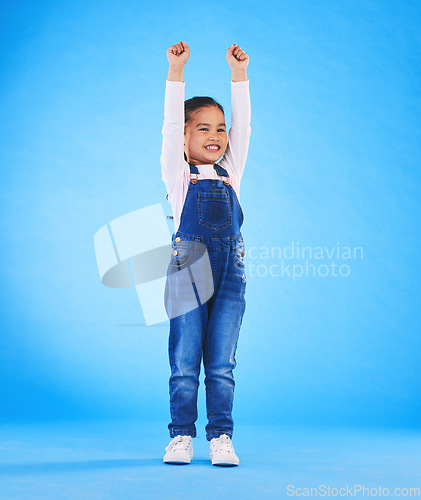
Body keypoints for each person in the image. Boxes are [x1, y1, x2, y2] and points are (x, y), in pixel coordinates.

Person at [161, 41, 250, 466]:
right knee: (183, 360)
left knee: (221, 364)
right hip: (188, 269)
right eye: (203, 128)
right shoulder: (178, 175)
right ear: (183, 135)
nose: (215, 136)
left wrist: (239, 78)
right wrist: (176, 72)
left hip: (231, 272)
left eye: (220, 128)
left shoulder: (232, 171)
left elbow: (244, 127)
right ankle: (181, 436)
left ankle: (221, 437)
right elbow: (167, 125)